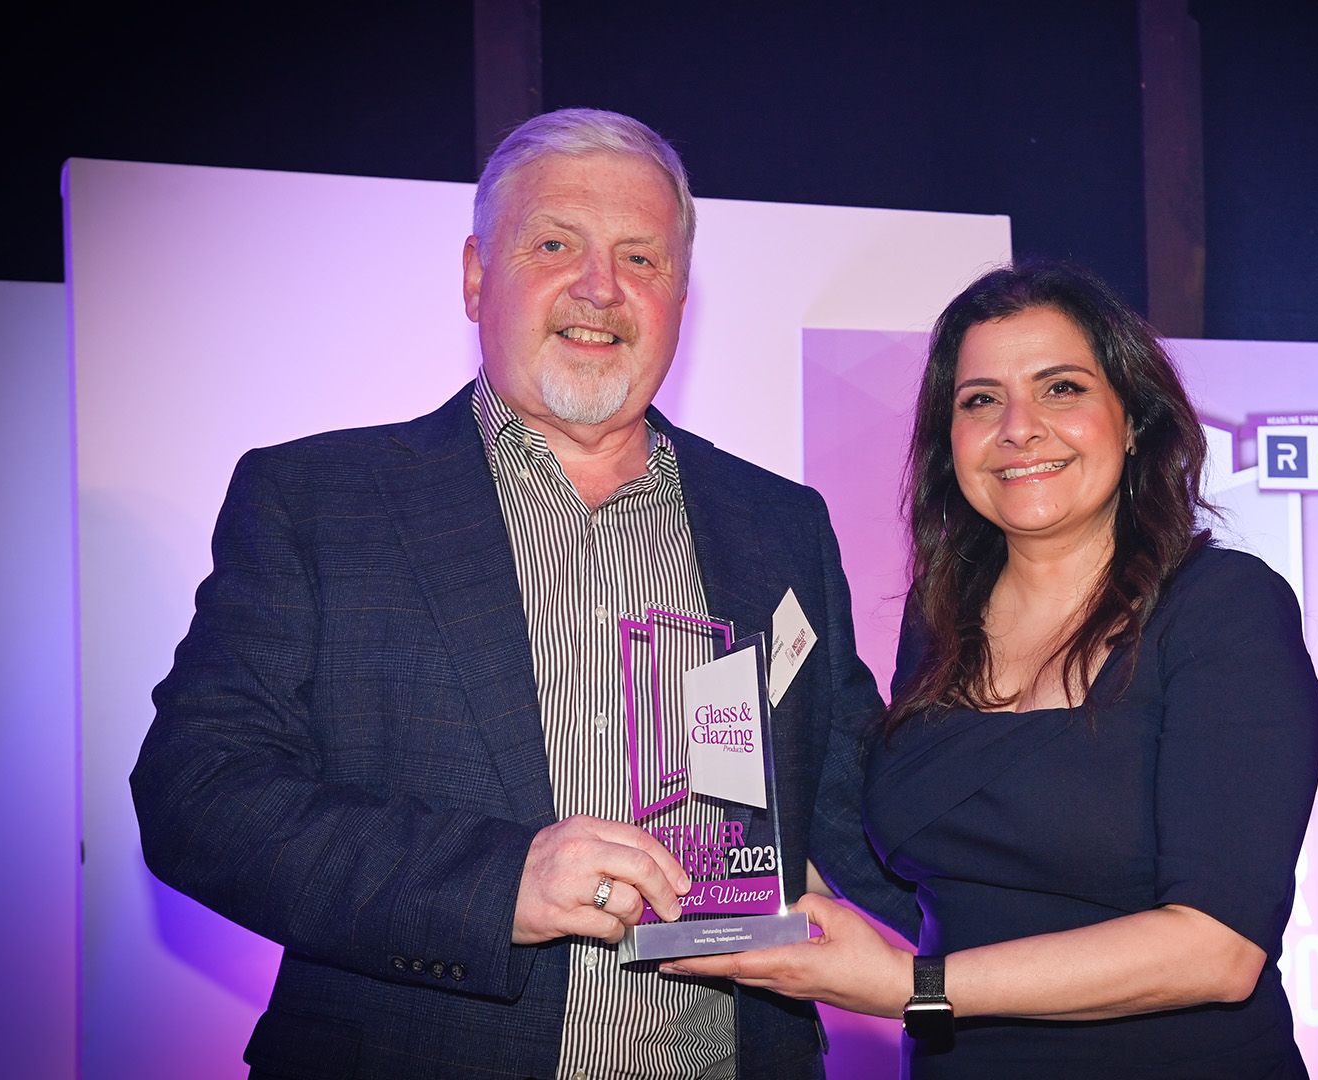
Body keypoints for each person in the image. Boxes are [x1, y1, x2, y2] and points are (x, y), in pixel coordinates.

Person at [130, 108, 917, 1080]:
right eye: (556, 244)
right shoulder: (320, 503)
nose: (602, 289)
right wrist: (503, 882)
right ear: (475, 275)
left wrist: (1037, 961)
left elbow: (875, 817)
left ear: (680, 296)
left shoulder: (780, 525)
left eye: (643, 258)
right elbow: (197, 795)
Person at [667, 262, 1318, 1078]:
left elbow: (1217, 951)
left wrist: (916, 987)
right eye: (980, 400)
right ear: (952, 443)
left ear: (1132, 421)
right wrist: (724, 857)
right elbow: (922, 873)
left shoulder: (1224, 608)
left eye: (1062, 389)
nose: (1019, 427)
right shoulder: (938, 621)